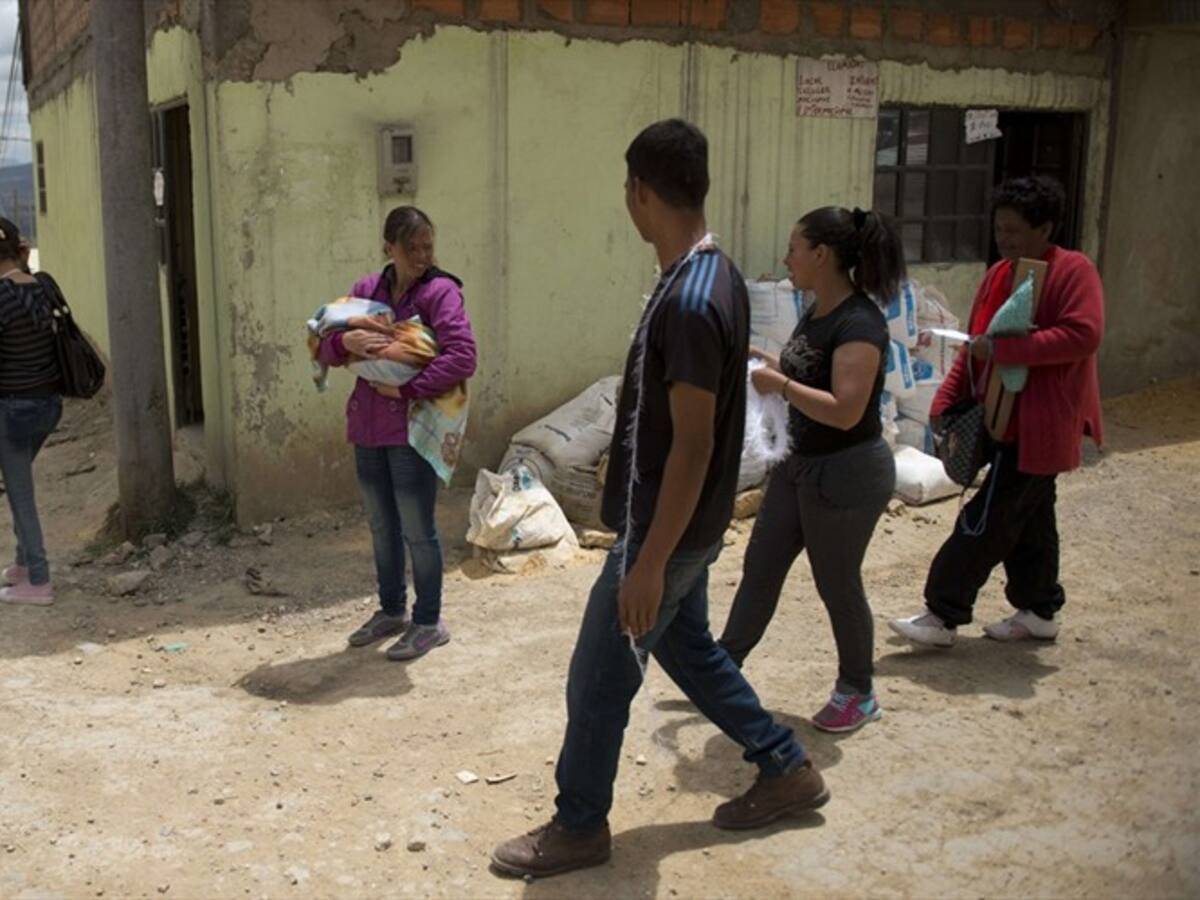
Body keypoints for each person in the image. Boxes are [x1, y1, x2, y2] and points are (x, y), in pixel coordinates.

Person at [491, 120, 826, 881]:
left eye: (627, 190)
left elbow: (696, 445)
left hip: (666, 534)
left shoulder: (690, 298)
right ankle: (785, 766)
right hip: (685, 526)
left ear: (641, 192)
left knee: (599, 677)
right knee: (689, 650)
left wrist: (647, 563)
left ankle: (578, 826)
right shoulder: (713, 275)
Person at [889, 175, 1104, 647]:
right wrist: (947, 400)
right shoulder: (999, 274)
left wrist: (1011, 350)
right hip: (997, 417)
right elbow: (975, 345)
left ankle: (942, 613)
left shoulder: (1073, 272)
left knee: (986, 517)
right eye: (999, 228)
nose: (1004, 238)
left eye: (1014, 230)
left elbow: (1083, 335)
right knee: (1029, 521)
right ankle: (1040, 609)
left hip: (1041, 424)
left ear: (1045, 228)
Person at [718, 206, 902, 734]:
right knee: (762, 565)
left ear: (822, 255)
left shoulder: (859, 323)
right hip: (800, 466)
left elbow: (845, 410)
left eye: (794, 248)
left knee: (837, 583)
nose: (786, 258)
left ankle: (858, 691)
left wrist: (781, 387)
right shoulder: (818, 311)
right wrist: (764, 362)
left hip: (846, 474)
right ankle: (724, 669)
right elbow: (805, 371)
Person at [317, 206, 477, 660]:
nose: (423, 255)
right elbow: (324, 344)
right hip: (367, 428)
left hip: (411, 432)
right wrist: (342, 343)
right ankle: (392, 611)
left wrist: (408, 388)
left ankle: (428, 621)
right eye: (413, 248)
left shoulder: (441, 293)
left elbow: (462, 356)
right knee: (381, 526)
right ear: (389, 247)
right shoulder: (367, 291)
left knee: (417, 531)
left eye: (429, 246)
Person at [0, 217, 63, 607]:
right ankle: (23, 566)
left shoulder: (1, 298)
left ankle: (39, 581)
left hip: (12, 409)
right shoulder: (44, 286)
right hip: (49, 406)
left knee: (21, 493)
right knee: (19, 477)